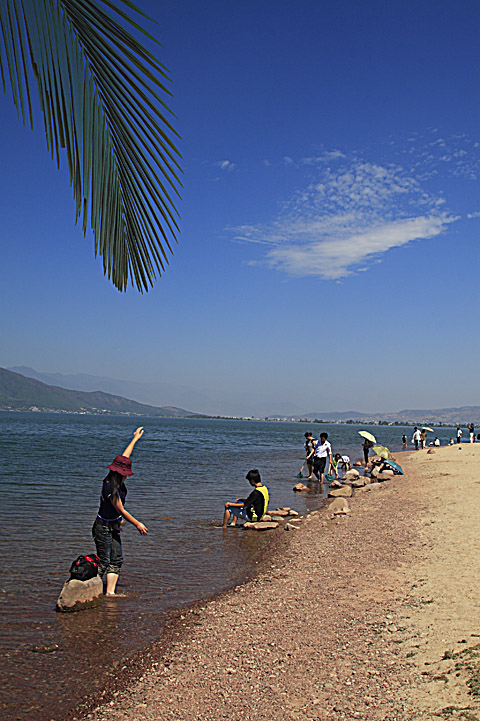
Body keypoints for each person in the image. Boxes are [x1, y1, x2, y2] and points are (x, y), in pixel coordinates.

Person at [92, 427, 148, 596]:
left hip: (113, 526)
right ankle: (89, 590)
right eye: (125, 474)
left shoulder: (114, 477)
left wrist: (134, 440)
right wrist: (138, 524)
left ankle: (110, 593)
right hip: (102, 528)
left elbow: (125, 457)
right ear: (121, 474)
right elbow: (121, 510)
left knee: (116, 559)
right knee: (104, 561)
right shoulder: (111, 488)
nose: (126, 476)